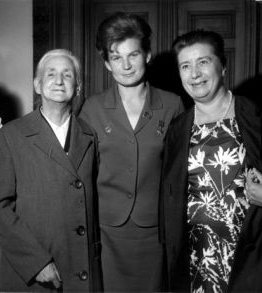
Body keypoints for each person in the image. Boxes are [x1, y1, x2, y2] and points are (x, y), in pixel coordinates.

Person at [160, 29, 262, 292]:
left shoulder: (258, 117)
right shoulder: (177, 129)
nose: (194, 73)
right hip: (195, 260)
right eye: (185, 66)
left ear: (223, 66)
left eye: (203, 62)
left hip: (251, 259)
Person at [79, 12, 184, 291]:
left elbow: (180, 173)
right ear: (106, 63)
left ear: (147, 55)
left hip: (155, 231)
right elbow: (81, 175)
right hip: (107, 231)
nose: (126, 65)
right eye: (116, 57)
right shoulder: (92, 108)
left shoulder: (172, 104)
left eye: (133, 55)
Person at [0, 49, 102, 292]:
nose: (59, 81)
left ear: (78, 87)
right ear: (38, 85)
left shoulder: (90, 135)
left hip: (81, 265)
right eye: (51, 74)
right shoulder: (11, 135)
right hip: (37, 269)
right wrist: (36, 262)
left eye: (67, 75)